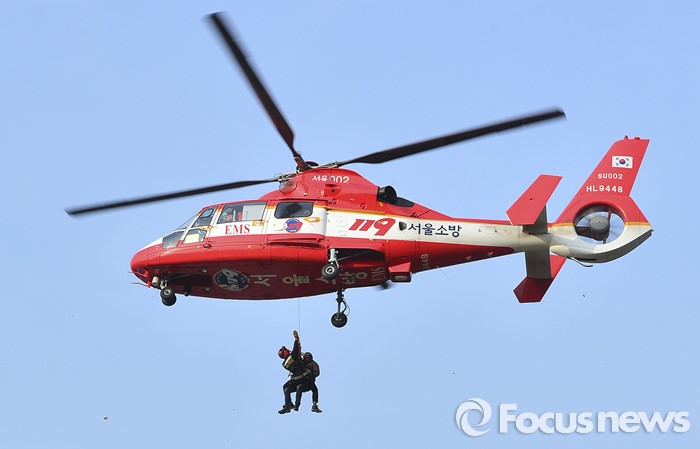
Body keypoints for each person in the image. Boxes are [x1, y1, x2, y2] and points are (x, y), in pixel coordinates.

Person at [277, 330, 310, 414]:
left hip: (298, 378)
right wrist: (296, 340)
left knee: (286, 387)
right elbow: (295, 353)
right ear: (284, 353)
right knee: (286, 388)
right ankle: (288, 405)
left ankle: (288, 405)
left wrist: (297, 342)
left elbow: (296, 352)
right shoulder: (289, 359)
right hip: (301, 377)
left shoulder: (285, 363)